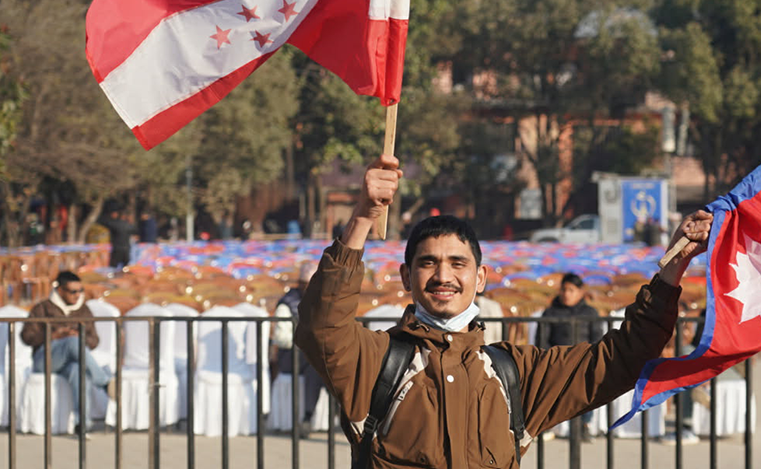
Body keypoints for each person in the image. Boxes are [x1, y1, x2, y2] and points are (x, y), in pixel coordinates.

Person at [296, 155, 711, 468]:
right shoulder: (376, 361)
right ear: (406, 277)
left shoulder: (516, 374)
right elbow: (320, 326)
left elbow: (623, 357)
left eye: (458, 264)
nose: (444, 276)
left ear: (480, 278)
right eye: (428, 263)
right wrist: (363, 219)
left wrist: (674, 265)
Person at [20, 272, 109, 433]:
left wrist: (78, 335)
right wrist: (52, 336)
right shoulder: (42, 308)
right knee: (71, 342)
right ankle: (104, 382)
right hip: (45, 360)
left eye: (80, 291)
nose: (78, 295)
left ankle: (82, 423)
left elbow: (94, 340)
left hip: (70, 362)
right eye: (73, 291)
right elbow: (26, 337)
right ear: (60, 291)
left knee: (78, 371)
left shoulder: (83, 310)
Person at [536, 272, 604, 441]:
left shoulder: (590, 312)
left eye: (571, 290)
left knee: (588, 389)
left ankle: (584, 425)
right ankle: (545, 425)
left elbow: (597, 339)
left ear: (580, 292)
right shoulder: (550, 313)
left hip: (583, 361)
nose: (566, 294)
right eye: (564, 290)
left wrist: (588, 357)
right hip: (556, 361)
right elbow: (542, 340)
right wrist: (552, 358)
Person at [271, 259, 325, 436]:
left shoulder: (323, 300)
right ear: (301, 284)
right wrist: (306, 342)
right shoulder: (287, 304)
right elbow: (282, 338)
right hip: (292, 355)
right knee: (315, 365)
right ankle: (307, 417)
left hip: (317, 353)